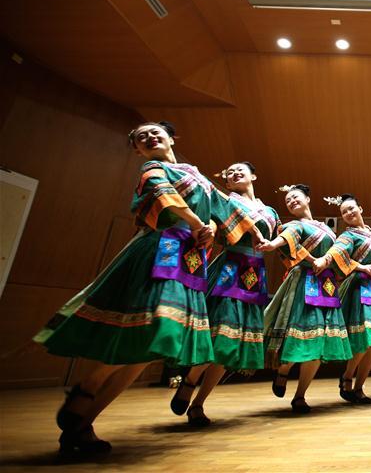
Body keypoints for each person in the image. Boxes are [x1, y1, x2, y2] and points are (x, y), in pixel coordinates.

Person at [35, 121, 262, 453]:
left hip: (189, 260)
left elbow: (223, 212)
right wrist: (199, 222)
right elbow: (163, 197)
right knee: (149, 327)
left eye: (156, 132)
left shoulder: (196, 175)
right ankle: (89, 384)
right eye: (142, 137)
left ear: (172, 138)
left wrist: (219, 228)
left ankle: (83, 425)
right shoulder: (152, 167)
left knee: (152, 347)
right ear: (138, 149)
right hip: (160, 249)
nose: (150, 137)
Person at [170, 161, 279, 425]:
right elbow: (215, 224)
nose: (234, 173)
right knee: (219, 332)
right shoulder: (226, 200)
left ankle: (199, 403)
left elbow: (273, 241)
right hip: (230, 268)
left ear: (253, 174)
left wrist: (271, 247)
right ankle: (191, 379)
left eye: (239, 169)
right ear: (228, 183)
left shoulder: (271, 211)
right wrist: (210, 230)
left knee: (232, 342)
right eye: (229, 173)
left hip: (255, 275)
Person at [256, 184, 353, 413]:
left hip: (327, 287)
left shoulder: (328, 231)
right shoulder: (291, 226)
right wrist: (274, 245)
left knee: (319, 341)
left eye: (296, 197)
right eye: (288, 200)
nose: (291, 201)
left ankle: (300, 395)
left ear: (308, 199)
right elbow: (288, 239)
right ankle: (283, 370)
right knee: (297, 333)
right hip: (302, 282)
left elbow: (338, 255)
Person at [314, 194, 371, 404]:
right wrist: (362, 267)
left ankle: (359, 387)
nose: (349, 213)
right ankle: (347, 376)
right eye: (344, 212)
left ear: (360, 208)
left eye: (351, 209)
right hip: (360, 287)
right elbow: (338, 253)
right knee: (366, 336)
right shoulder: (347, 235)